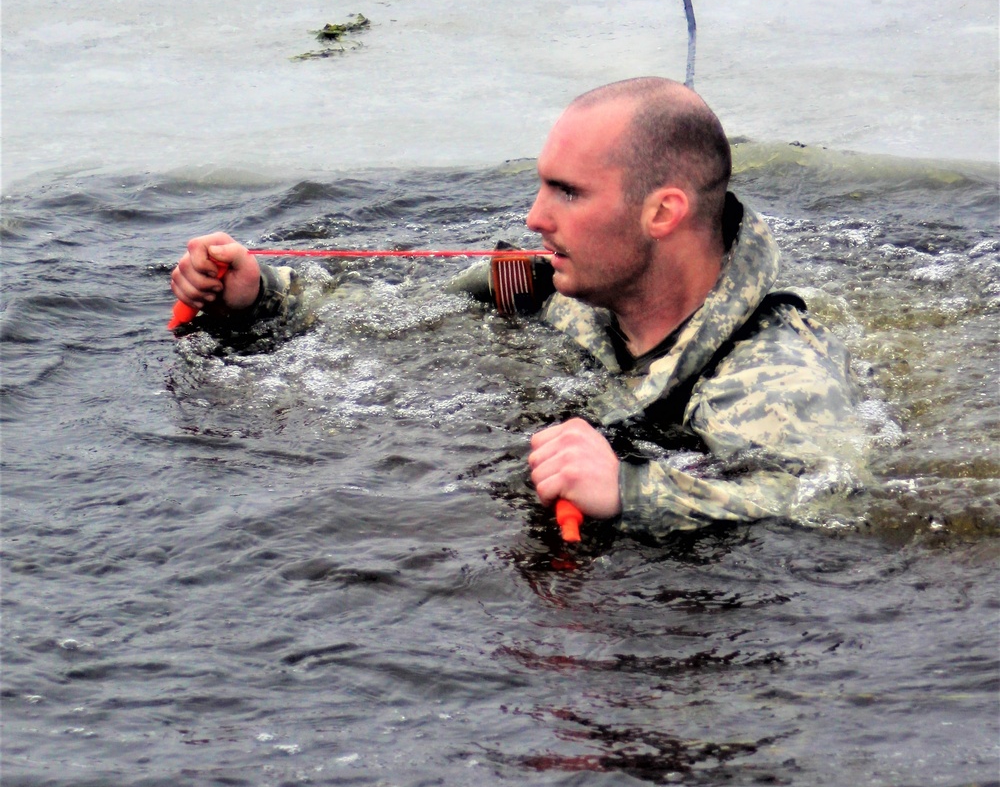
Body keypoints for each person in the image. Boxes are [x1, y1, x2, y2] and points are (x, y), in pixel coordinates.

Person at [170, 78, 865, 534]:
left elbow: (828, 501)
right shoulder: (554, 288)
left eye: (568, 193)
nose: (535, 218)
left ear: (663, 212)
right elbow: (393, 311)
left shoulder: (772, 375)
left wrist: (633, 491)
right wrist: (261, 294)